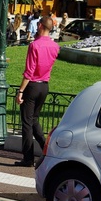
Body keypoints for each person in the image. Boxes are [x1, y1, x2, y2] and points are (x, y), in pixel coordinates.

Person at [15, 15, 60, 167]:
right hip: (44, 86)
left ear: (40, 26)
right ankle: (48, 149)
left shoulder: (35, 45)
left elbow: (29, 70)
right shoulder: (55, 46)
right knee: (34, 120)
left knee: (27, 123)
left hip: (33, 85)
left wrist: (21, 91)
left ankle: (28, 158)